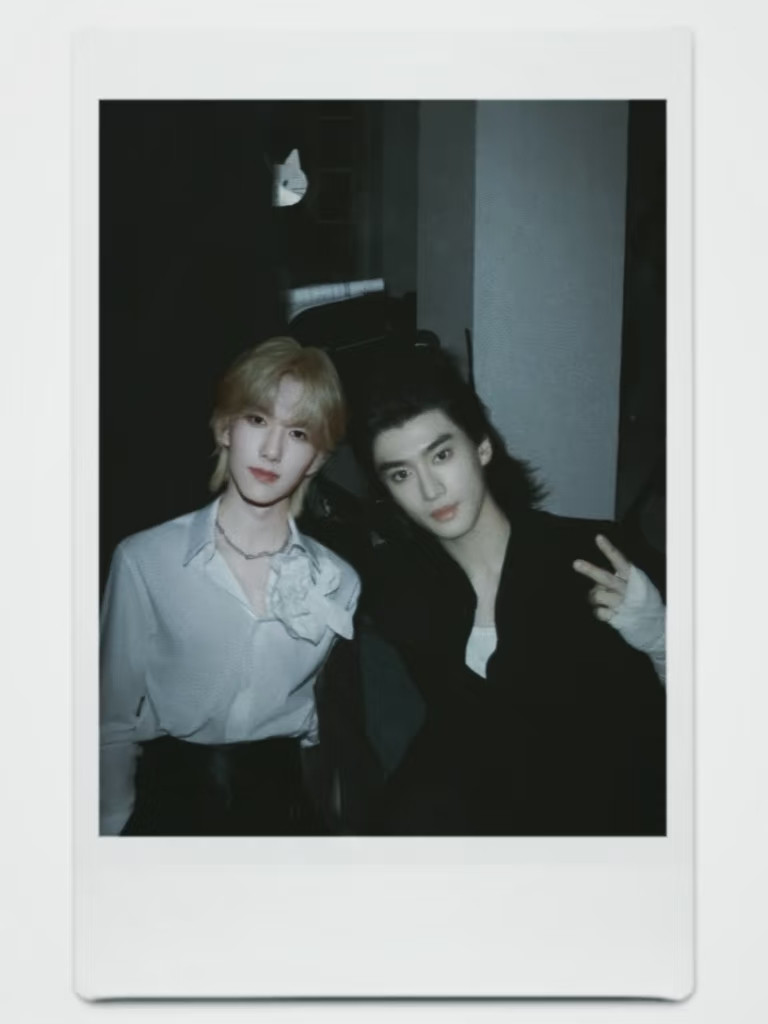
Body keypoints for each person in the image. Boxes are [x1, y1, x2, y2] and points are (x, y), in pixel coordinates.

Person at [348, 346, 666, 836]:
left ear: (482, 448)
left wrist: (663, 637)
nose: (430, 490)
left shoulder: (596, 556)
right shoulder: (400, 591)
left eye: (442, 455)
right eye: (401, 474)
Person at [100, 337, 362, 836]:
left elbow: (330, 731)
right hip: (171, 814)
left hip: (284, 820)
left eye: (298, 433)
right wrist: (111, 833)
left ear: (316, 459)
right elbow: (108, 721)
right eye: (257, 420)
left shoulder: (339, 581)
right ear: (225, 428)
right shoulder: (144, 560)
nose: (272, 450)